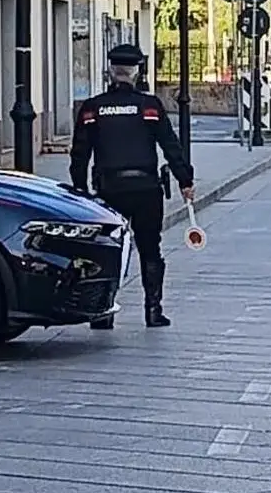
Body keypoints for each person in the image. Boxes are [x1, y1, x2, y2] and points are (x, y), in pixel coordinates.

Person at [70, 44, 195, 329]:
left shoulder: (93, 108)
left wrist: (80, 192)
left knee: (107, 250)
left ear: (111, 72)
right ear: (137, 72)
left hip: (109, 190)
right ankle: (153, 311)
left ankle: (102, 314)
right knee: (151, 249)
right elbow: (171, 147)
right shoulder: (149, 106)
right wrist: (185, 180)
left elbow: (79, 154)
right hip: (146, 190)